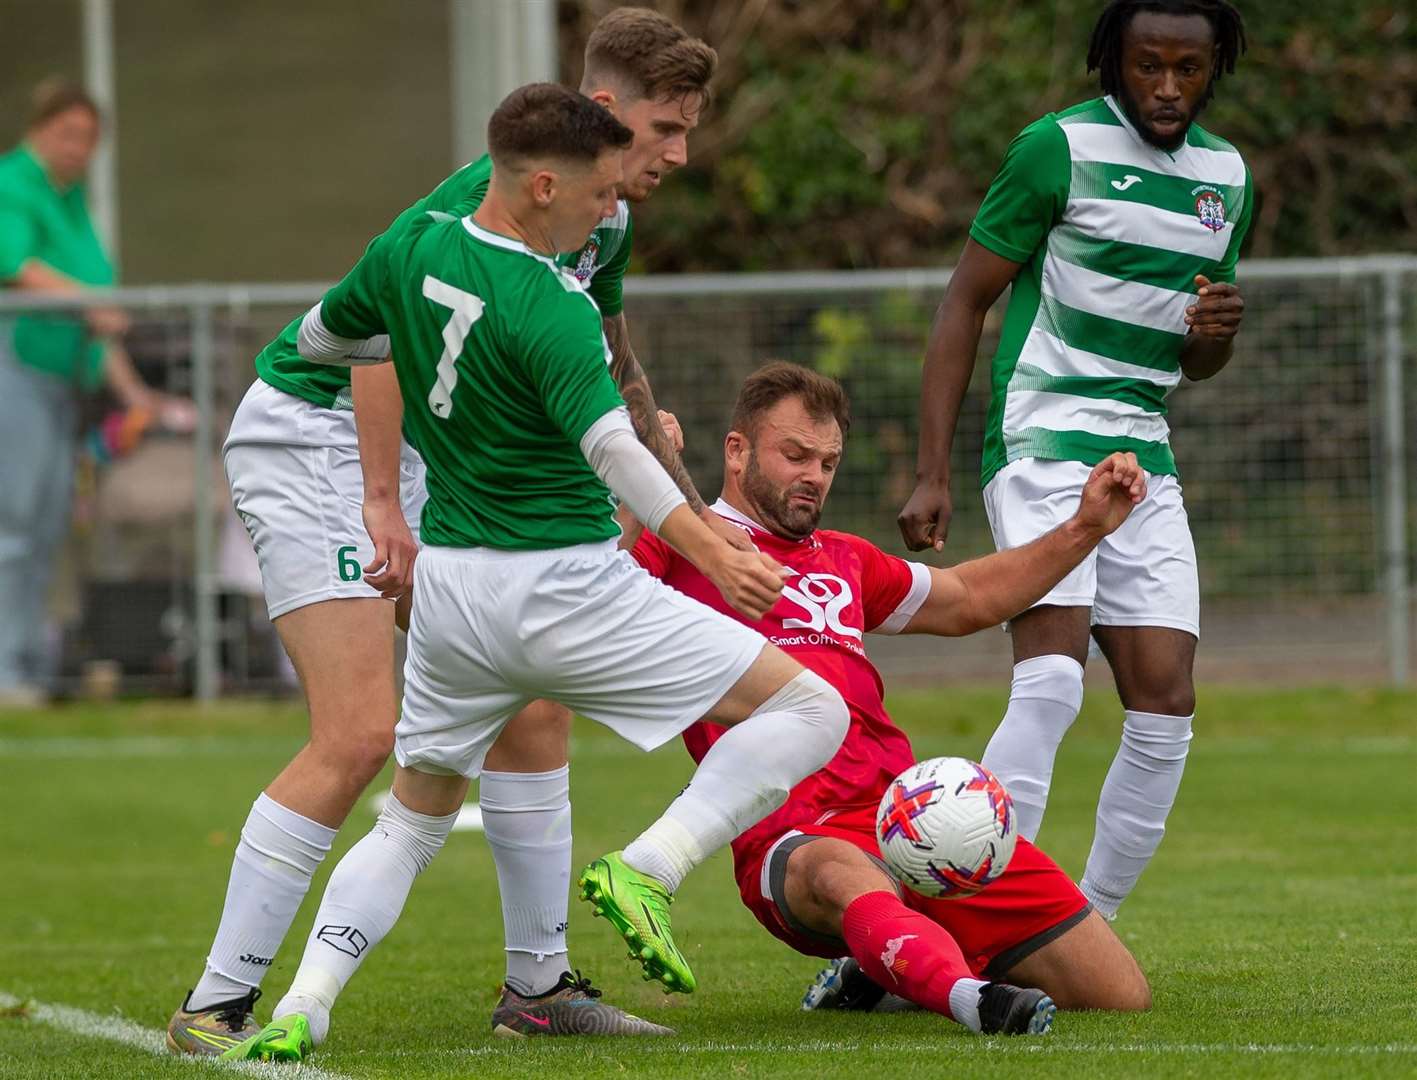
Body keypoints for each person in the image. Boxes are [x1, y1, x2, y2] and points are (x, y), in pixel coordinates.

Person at [219, 83, 850, 1064]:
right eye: (601, 195)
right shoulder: (549, 305)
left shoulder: (411, 249)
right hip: (561, 589)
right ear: (546, 183)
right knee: (813, 712)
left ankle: (308, 1003)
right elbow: (614, 452)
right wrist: (712, 548)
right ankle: (649, 867)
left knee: (415, 818)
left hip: (456, 597)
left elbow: (324, 345)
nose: (612, 214)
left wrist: (386, 491)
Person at [168, 9, 725, 1055]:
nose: (679, 153)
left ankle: (538, 987)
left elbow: (608, 357)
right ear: (600, 115)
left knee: (534, 707)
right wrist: (382, 504)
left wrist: (676, 486)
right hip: (320, 437)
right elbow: (372, 337)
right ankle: (214, 1006)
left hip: (424, 452)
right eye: (664, 127)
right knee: (358, 733)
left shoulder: (600, 216)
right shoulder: (472, 208)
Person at [624, 362, 1151, 1036]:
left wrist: (1085, 527)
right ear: (736, 451)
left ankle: (878, 974)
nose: (813, 475)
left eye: (827, 461)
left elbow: (969, 599)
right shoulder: (682, 551)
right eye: (794, 455)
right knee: (845, 876)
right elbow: (594, 584)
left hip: (905, 816)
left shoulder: (843, 558)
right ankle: (971, 1001)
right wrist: (635, 485)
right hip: (791, 835)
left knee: (1116, 991)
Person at [896, 0, 1251, 919]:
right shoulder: (1054, 150)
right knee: (1052, 680)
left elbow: (1191, 361)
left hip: (1143, 453)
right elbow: (962, 302)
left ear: (1213, 68)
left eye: (1186, 68)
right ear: (1111, 61)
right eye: (1145, 65)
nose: (1165, 86)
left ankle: (1089, 924)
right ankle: (976, 913)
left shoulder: (1226, 177)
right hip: (1044, 434)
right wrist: (932, 467)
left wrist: (1212, 336)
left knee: (1165, 703)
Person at [0, 79, 185, 706]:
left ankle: (26, 666)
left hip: (64, 385)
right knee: (15, 526)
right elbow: (15, 265)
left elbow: (96, 315)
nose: (79, 148)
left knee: (47, 527)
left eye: (89, 138)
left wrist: (136, 395)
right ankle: (5, 671)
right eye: (68, 134)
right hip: (16, 373)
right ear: (40, 128)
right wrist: (89, 302)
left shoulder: (70, 197)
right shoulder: (14, 182)